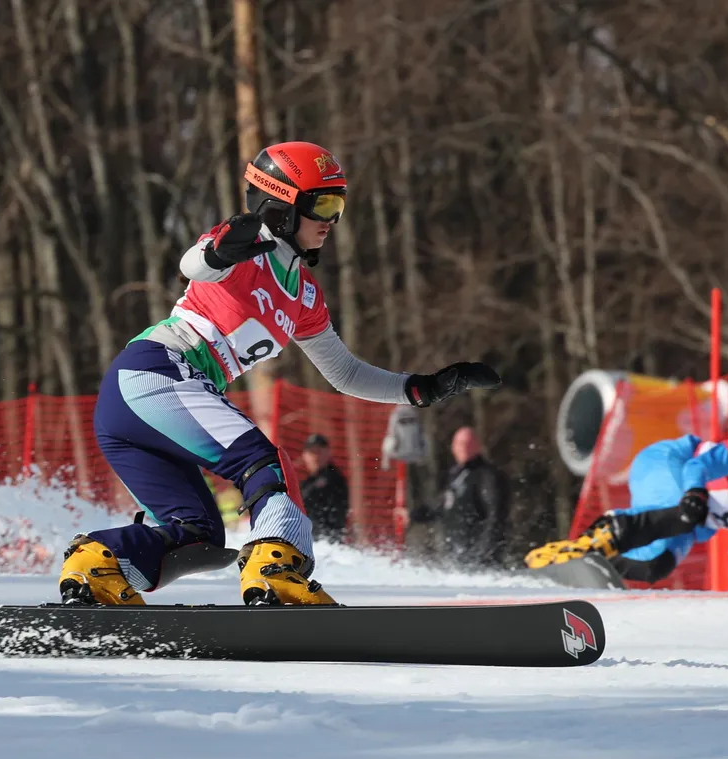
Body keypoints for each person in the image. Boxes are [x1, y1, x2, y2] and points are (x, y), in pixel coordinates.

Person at [58, 141, 501, 606]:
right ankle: (276, 567)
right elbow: (195, 265)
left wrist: (424, 389)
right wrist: (224, 248)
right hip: (157, 374)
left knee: (199, 538)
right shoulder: (246, 250)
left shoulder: (304, 295)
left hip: (142, 402)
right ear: (284, 207)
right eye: (323, 204)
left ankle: (100, 564)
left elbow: (345, 373)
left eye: (340, 205)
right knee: (265, 462)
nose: (332, 220)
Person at [526, 406, 728, 592]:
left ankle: (581, 568)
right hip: (669, 461)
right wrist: (693, 492)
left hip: (693, 520)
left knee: (654, 567)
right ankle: (582, 546)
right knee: (682, 513)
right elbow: (699, 465)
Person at [410, 427, 509, 568]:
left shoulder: (487, 476)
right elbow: (440, 505)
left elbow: (496, 514)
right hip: (455, 552)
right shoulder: (456, 475)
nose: (463, 448)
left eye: (468, 443)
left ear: (477, 446)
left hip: (479, 555)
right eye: (459, 444)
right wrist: (413, 515)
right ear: (453, 447)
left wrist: (485, 549)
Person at [299, 433, 350, 544]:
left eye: (319, 451)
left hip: (328, 541)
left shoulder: (333, 477)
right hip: (312, 539)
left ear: (328, 453)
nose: (315, 456)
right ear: (304, 455)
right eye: (312, 452)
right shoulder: (308, 482)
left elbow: (304, 498)